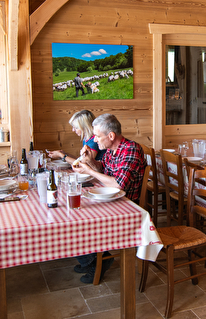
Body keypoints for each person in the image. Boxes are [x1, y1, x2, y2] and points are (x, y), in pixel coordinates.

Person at [72, 113, 146, 283]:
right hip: (111, 200)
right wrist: (90, 161)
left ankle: (97, 261)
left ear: (111, 136)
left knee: (81, 218)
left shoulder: (130, 149)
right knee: (76, 212)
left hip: (127, 207)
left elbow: (119, 184)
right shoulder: (111, 150)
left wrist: (89, 171)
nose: (95, 140)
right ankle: (93, 258)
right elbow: (101, 169)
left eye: (97, 136)